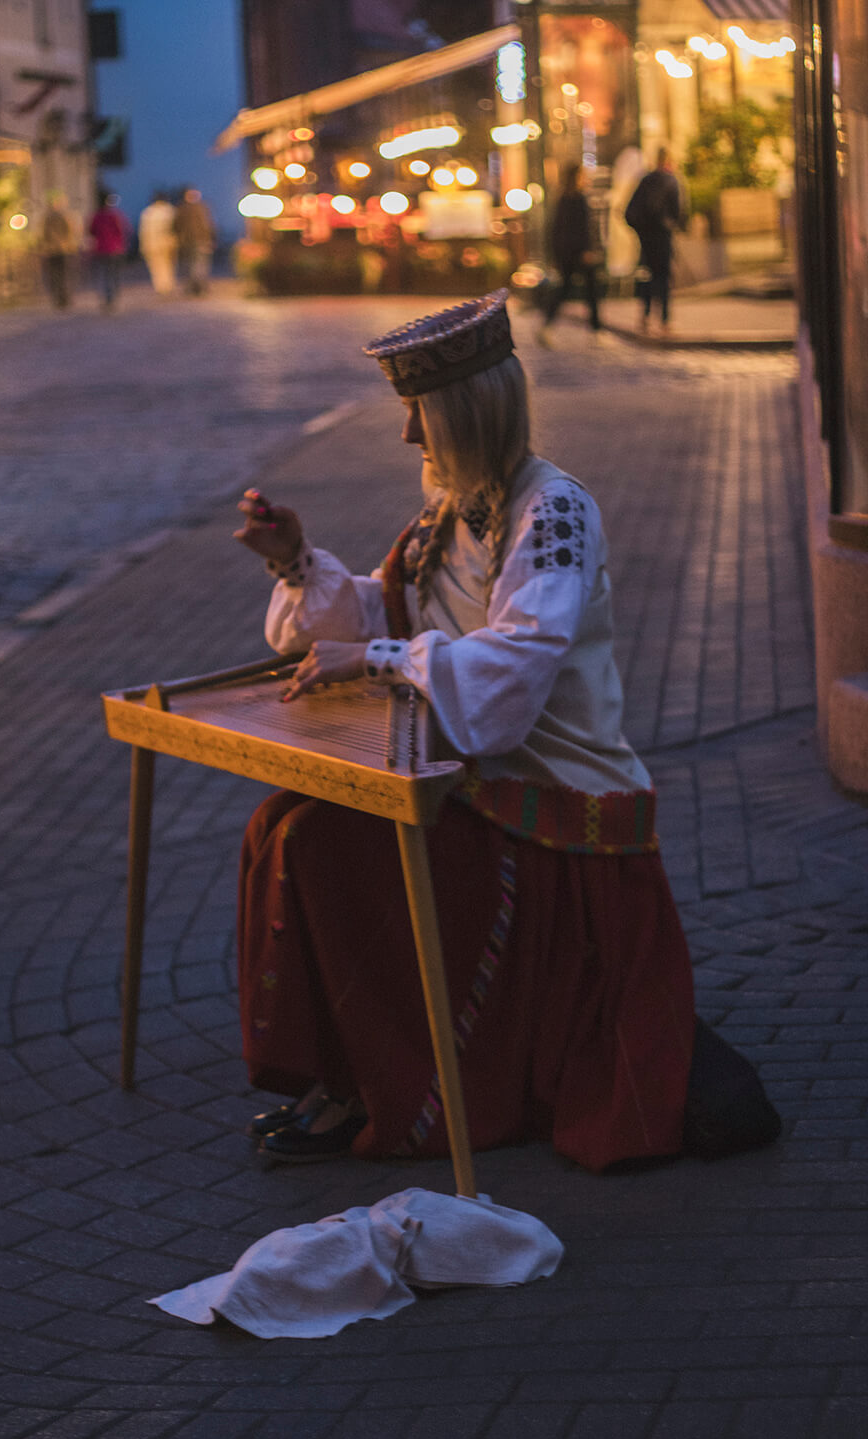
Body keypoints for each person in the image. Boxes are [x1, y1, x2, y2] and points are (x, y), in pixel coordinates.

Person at [233, 289, 780, 1172]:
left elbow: (513, 669)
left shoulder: (553, 511)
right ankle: (347, 1074)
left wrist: (375, 659)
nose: (408, 435)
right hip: (469, 771)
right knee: (280, 825)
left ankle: (397, 1093)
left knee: (323, 846)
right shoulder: (447, 509)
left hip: (548, 795)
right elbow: (394, 608)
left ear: (464, 412)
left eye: (419, 413)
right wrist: (295, 561)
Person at [538, 162, 603, 347]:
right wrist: (586, 250)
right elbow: (582, 229)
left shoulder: (562, 199)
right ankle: (596, 331)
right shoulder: (578, 199)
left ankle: (548, 327)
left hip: (566, 253)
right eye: (583, 175)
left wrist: (555, 254)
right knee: (590, 291)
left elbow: (555, 229)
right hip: (579, 252)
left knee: (565, 289)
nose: (586, 179)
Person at [624, 147, 686, 332]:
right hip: (662, 235)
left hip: (646, 237)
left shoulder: (646, 180)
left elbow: (630, 211)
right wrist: (672, 225)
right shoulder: (671, 180)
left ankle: (645, 316)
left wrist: (641, 230)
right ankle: (665, 320)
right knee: (664, 276)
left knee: (648, 275)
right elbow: (678, 210)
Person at [87, 191, 131, 311]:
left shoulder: (97, 216)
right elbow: (124, 230)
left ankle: (108, 297)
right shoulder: (116, 215)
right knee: (114, 273)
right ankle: (114, 296)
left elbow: (91, 231)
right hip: (115, 249)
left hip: (101, 249)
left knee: (105, 274)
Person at [39, 192, 79, 310]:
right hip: (64, 249)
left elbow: (43, 234)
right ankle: (64, 297)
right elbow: (71, 232)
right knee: (65, 274)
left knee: (54, 275)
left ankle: (57, 298)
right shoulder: (65, 216)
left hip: (51, 250)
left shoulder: (47, 218)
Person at [173, 187, 216, 295]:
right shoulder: (202, 207)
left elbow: (176, 225)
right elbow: (209, 225)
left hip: (187, 241)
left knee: (191, 264)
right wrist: (211, 238)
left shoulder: (181, 208)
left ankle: (194, 287)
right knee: (200, 264)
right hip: (201, 240)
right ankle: (199, 286)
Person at [138, 191, 178, 295]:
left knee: (156, 267)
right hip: (168, 243)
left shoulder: (148, 213)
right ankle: (168, 285)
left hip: (152, 244)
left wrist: (143, 245)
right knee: (168, 265)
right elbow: (175, 229)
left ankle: (160, 286)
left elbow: (144, 231)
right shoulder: (170, 211)